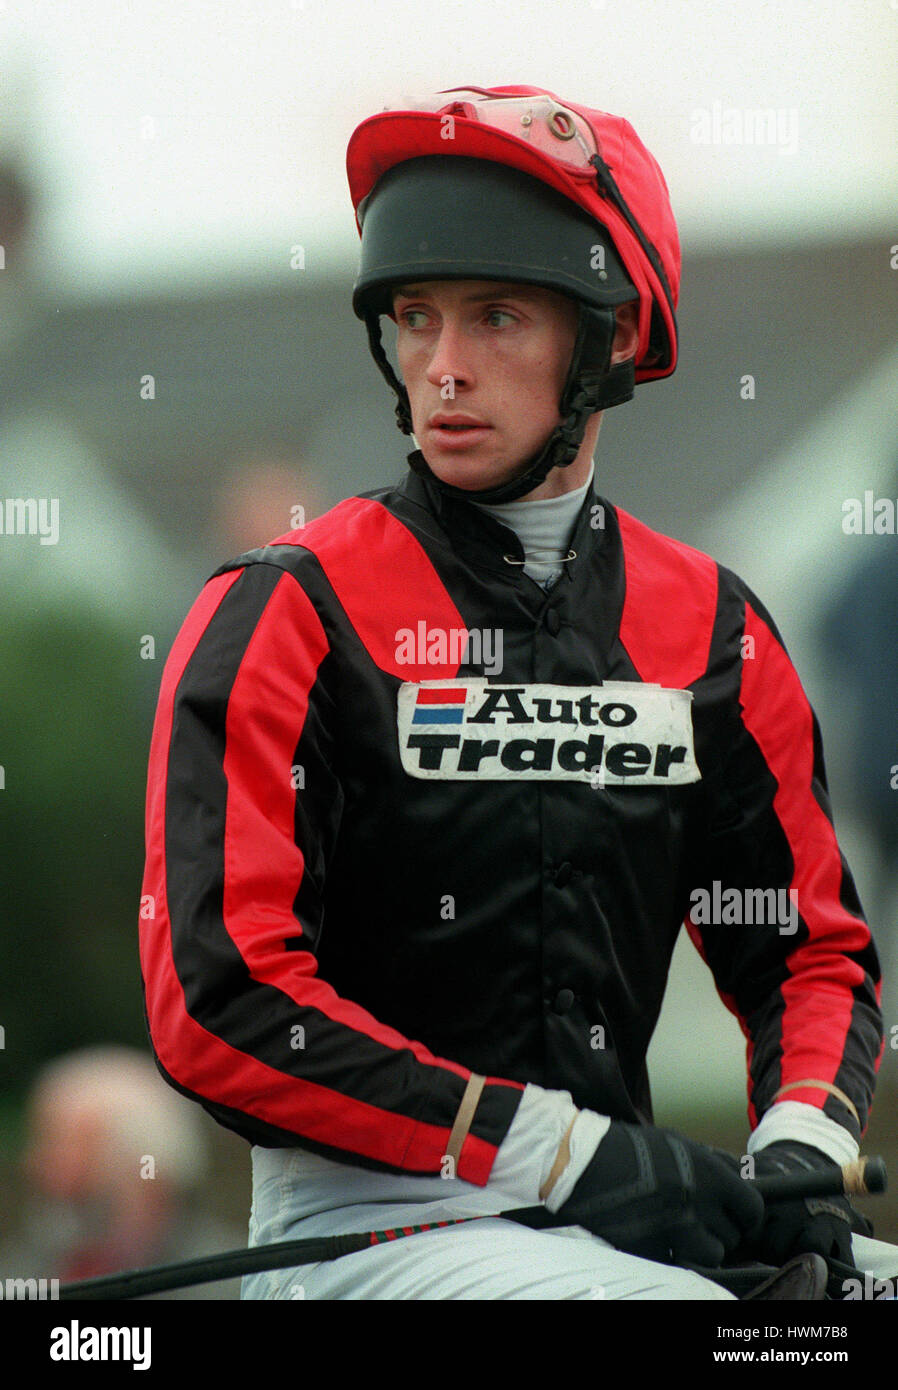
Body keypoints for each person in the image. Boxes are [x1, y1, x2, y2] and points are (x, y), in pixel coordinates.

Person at [139, 85, 891, 1300]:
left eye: (495, 318)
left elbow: (803, 948)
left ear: (607, 338)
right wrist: (552, 1150)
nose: (443, 368)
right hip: (368, 1219)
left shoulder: (712, 626)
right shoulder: (283, 609)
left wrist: (800, 1138)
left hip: (621, 1216)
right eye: (415, 318)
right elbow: (221, 1000)